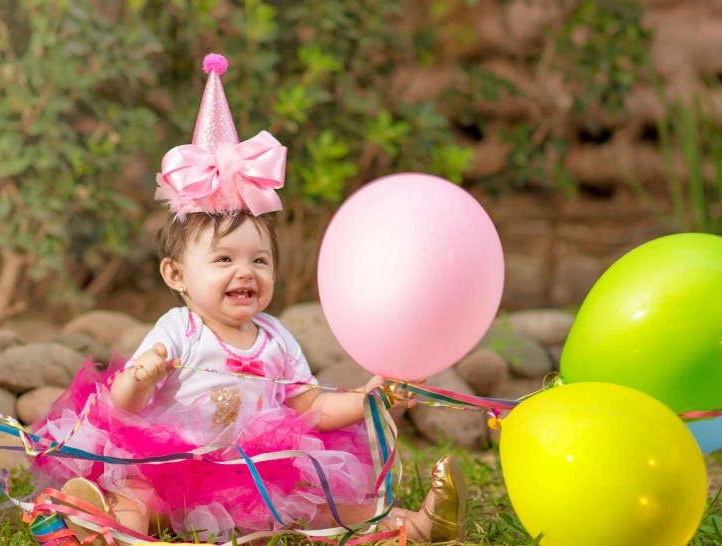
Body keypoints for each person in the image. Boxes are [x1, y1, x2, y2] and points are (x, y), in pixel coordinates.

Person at [30, 54, 467, 545]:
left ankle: (417, 523)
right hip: (171, 466)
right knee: (140, 499)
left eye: (259, 261)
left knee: (320, 496)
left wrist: (369, 396)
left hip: (253, 473)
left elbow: (311, 407)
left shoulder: (276, 338)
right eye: (223, 261)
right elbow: (122, 407)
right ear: (177, 275)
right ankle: (95, 527)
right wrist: (140, 377)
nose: (245, 272)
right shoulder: (180, 330)